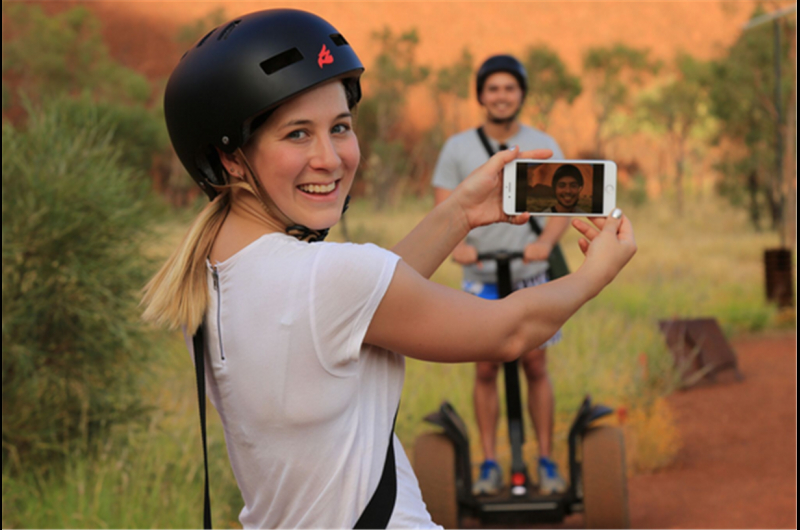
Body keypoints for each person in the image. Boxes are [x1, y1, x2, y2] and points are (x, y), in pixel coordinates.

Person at [142, 10, 636, 529]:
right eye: (297, 135)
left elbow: (365, 300)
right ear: (232, 159)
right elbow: (510, 332)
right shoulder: (324, 279)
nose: (330, 158)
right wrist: (593, 275)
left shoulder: (210, 276)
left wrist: (462, 212)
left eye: (339, 127)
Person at [431, 54, 574, 496]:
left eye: (509, 88)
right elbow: (444, 205)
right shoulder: (458, 148)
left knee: (534, 362)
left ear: (521, 94)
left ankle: (547, 461)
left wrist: (545, 244)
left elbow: (564, 203)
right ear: (481, 95)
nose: (501, 96)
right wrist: (458, 247)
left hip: (531, 270)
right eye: (492, 88)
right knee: (486, 366)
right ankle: (490, 463)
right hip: (484, 273)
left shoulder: (542, 142)